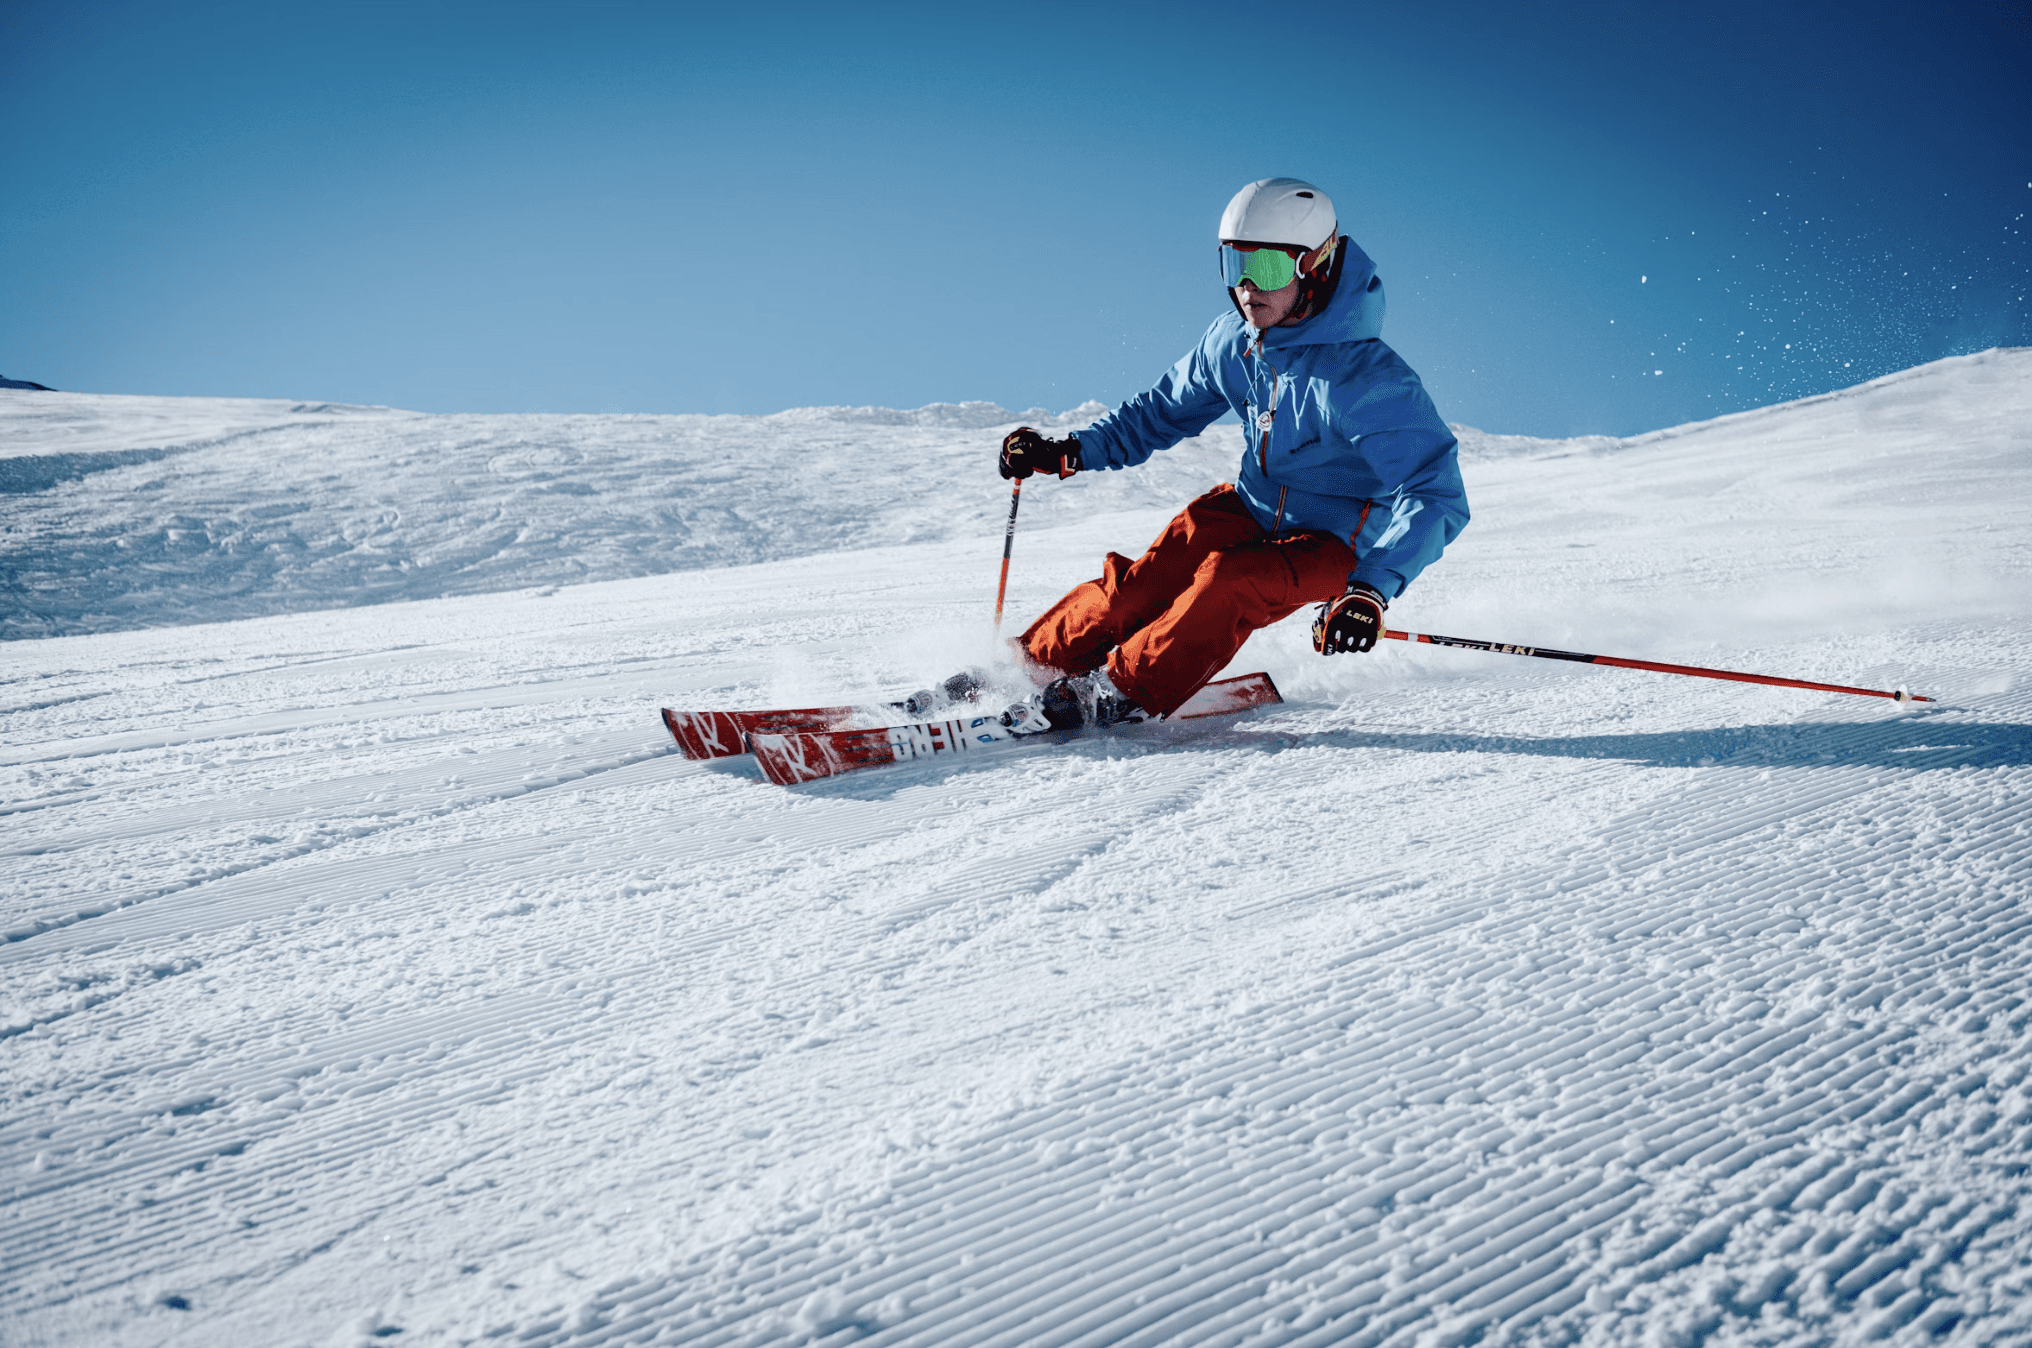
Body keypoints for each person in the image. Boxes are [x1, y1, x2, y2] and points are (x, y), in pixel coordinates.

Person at [996, 177, 1469, 730]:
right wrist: (1068, 451)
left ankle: (1116, 691)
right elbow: (1158, 412)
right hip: (1249, 506)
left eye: (1266, 268)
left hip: (1337, 541)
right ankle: (1027, 667)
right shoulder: (1234, 340)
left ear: (1314, 265)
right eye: (1233, 265)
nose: (1246, 287)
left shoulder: (1365, 379)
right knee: (1141, 588)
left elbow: (1435, 493)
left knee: (1230, 579)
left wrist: (1371, 590)